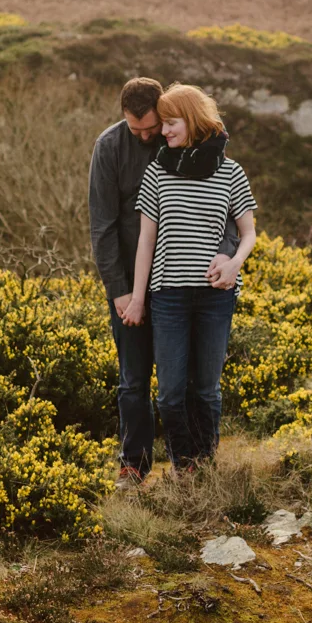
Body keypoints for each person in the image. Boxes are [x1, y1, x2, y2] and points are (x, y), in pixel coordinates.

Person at [89, 78, 238, 488]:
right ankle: (133, 464)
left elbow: (224, 209)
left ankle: (191, 463)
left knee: (187, 382)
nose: (147, 136)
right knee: (133, 380)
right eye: (136, 130)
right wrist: (121, 291)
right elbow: (102, 227)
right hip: (129, 287)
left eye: (151, 127)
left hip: (181, 282)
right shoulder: (109, 147)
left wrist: (226, 253)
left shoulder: (183, 139)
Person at [122, 84, 257, 474]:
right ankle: (186, 465)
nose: (163, 132)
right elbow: (146, 241)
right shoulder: (158, 171)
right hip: (169, 297)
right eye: (163, 125)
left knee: (206, 390)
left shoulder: (231, 172)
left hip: (216, 296)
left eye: (171, 123)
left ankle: (205, 464)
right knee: (169, 394)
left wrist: (234, 263)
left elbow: (247, 233)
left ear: (193, 120)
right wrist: (136, 297)